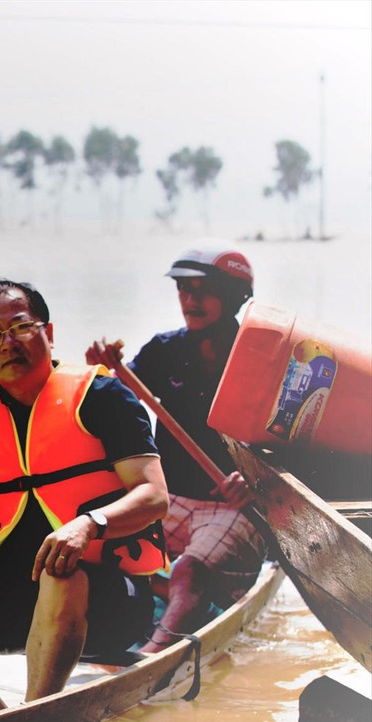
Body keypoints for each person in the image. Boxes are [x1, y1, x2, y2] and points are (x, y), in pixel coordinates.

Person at [0, 280, 169, 716]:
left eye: (21, 326)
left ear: (49, 332)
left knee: (61, 570)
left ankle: (36, 710)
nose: (8, 343)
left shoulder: (102, 398)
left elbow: (154, 496)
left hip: (110, 601)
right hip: (15, 601)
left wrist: (89, 525)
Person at [86, 240, 265, 653]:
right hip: (169, 503)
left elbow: (290, 447)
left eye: (203, 289)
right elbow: (110, 402)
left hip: (231, 508)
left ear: (235, 296)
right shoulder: (165, 349)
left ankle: (152, 657)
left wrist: (255, 479)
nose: (190, 300)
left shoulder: (260, 358)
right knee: (94, 545)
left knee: (188, 571)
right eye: (183, 289)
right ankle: (161, 596)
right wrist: (101, 371)